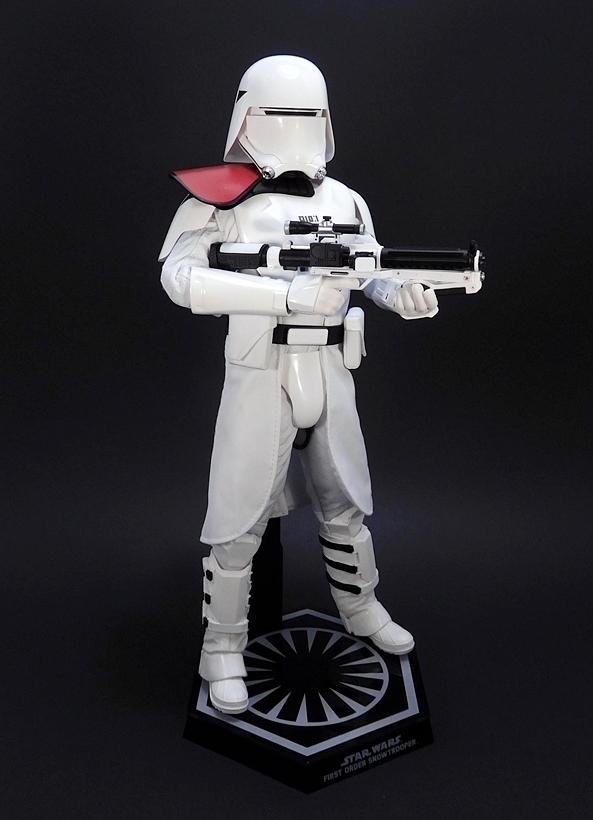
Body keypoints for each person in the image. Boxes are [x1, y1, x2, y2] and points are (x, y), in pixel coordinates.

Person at [159, 56, 438, 714]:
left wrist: (402, 292)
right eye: (281, 113)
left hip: (332, 370)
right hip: (260, 371)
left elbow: (370, 270)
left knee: (347, 503)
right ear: (247, 116)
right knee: (238, 519)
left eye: (308, 113)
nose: (295, 126)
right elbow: (179, 278)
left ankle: (360, 607)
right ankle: (222, 645)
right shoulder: (218, 198)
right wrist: (284, 294)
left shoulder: (345, 201)